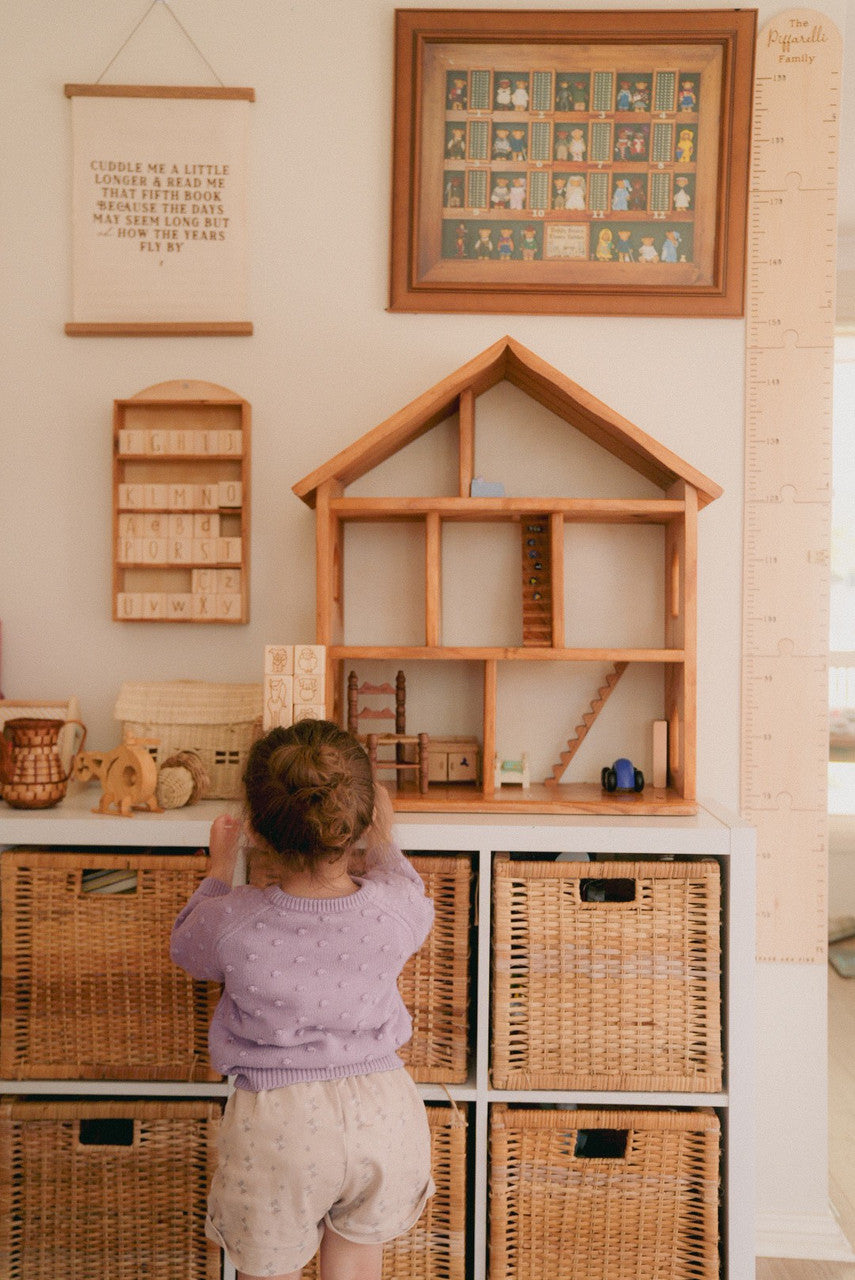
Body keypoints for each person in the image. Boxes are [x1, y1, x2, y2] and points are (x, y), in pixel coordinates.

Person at [171, 719, 436, 1280]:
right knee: (358, 1265)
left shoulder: (234, 921)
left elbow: (188, 946)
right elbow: (410, 887)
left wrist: (219, 866)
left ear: (259, 832)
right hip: (383, 1115)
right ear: (359, 820)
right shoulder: (394, 910)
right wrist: (385, 835)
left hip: (277, 1127)